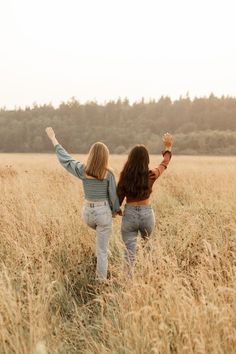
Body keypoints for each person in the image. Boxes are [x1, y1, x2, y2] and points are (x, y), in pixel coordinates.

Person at [45, 127, 120, 280]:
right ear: (106, 156)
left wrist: (54, 139)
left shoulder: (82, 170)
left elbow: (66, 159)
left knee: (101, 239)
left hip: (87, 215)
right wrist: (115, 210)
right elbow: (113, 196)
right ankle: (101, 283)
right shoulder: (109, 173)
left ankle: (103, 251)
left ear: (91, 155)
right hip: (102, 213)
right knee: (102, 251)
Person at [117, 133, 173, 273]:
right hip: (147, 213)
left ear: (130, 159)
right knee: (149, 248)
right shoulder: (152, 174)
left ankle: (128, 283)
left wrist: (116, 210)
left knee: (129, 254)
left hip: (129, 214)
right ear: (146, 159)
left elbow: (118, 198)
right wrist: (168, 147)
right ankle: (150, 278)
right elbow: (164, 163)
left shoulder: (125, 176)